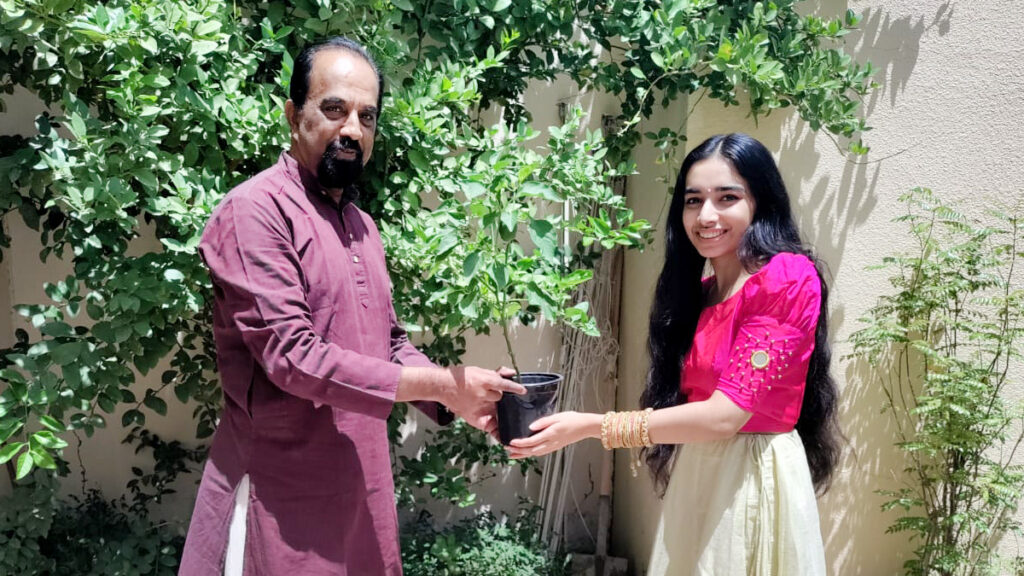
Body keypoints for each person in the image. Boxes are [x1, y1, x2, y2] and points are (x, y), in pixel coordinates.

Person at [180, 37, 525, 576]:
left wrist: (455, 396)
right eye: (334, 109)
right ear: (294, 115)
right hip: (279, 494)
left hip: (360, 484)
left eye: (367, 116)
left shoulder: (361, 226)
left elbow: (388, 343)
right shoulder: (254, 212)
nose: (352, 129)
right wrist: (444, 383)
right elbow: (293, 358)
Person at [507, 133, 841, 575]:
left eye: (727, 198)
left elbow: (725, 416)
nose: (706, 215)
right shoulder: (700, 294)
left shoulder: (785, 278)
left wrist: (594, 427)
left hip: (749, 482)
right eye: (693, 200)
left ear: (761, 202)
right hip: (699, 472)